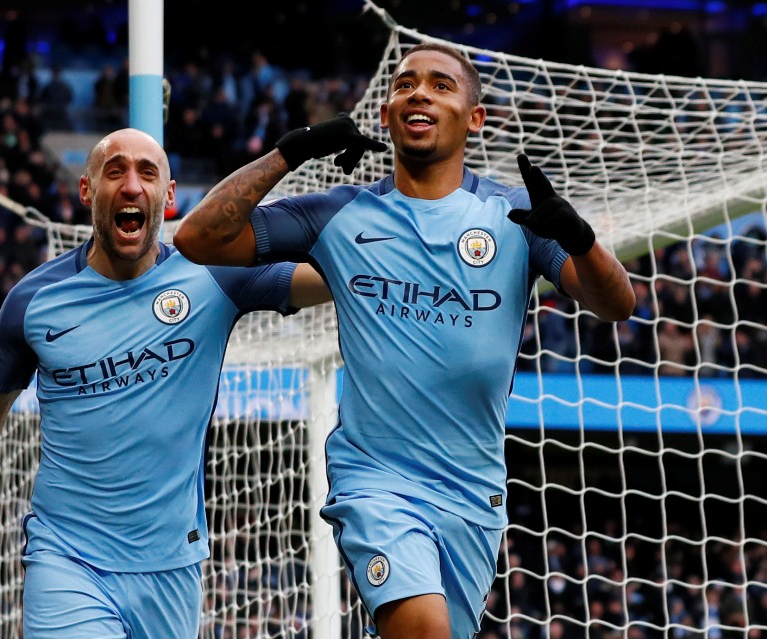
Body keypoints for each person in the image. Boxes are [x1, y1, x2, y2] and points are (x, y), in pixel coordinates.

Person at [173, 43, 636, 639]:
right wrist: (292, 152)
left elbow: (616, 304)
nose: (418, 92)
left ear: (475, 117)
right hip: (376, 480)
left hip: (473, 495)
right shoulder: (338, 214)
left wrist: (580, 239)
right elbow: (199, 239)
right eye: (404, 84)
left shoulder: (517, 216)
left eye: (441, 85)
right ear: (386, 115)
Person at [0, 128, 332, 638]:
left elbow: (333, 280)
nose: (131, 185)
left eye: (147, 173)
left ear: (169, 196)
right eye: (115, 171)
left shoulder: (215, 274)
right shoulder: (35, 302)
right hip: (67, 559)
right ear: (87, 191)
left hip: (171, 564)